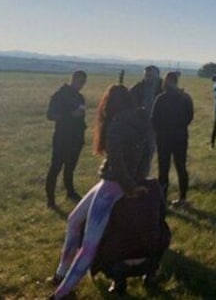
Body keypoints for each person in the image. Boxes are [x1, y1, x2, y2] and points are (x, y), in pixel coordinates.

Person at [49, 84, 152, 299]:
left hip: (112, 186)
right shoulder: (141, 122)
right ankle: (61, 274)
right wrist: (135, 183)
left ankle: (61, 294)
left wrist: (130, 187)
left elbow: (117, 163)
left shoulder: (116, 125)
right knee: (74, 220)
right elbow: (145, 158)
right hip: (117, 183)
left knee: (89, 245)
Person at [45, 71, 88, 207]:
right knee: (56, 167)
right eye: (79, 81)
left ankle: (70, 191)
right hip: (62, 137)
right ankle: (50, 199)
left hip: (76, 138)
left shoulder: (80, 98)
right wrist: (69, 115)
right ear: (72, 79)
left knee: (70, 167)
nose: (80, 85)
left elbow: (81, 116)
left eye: (83, 82)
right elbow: (50, 115)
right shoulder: (60, 95)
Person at [150, 72, 194, 205]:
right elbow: (189, 116)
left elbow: (153, 119)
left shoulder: (161, 98)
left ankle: (162, 198)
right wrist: (180, 126)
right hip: (180, 136)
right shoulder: (185, 97)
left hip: (164, 138)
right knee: (181, 167)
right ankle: (183, 198)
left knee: (163, 168)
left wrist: (160, 130)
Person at [130, 65, 161, 173]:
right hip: (139, 126)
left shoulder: (162, 89)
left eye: (151, 75)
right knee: (136, 152)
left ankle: (144, 176)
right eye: (146, 75)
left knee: (149, 152)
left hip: (155, 126)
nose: (148, 78)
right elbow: (129, 102)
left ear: (157, 76)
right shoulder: (138, 87)